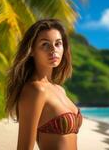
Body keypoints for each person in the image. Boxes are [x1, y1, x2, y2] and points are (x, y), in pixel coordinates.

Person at [5, 19, 83, 150]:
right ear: (32, 51)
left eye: (58, 44)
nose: (53, 50)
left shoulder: (59, 89)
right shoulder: (35, 90)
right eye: (45, 44)